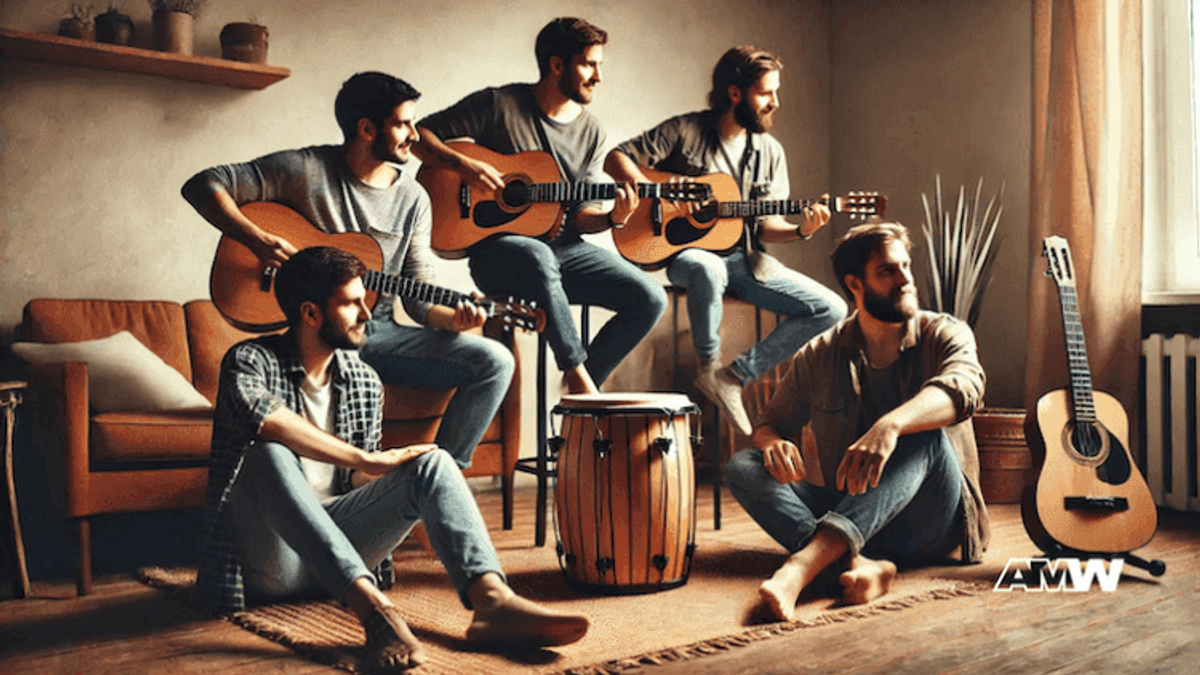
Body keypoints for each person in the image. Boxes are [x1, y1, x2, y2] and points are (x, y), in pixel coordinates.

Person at [195, 247, 590, 673]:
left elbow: (356, 480)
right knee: (268, 454)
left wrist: (411, 482)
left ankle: (493, 604)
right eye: (351, 303)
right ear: (310, 313)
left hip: (340, 547)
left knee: (434, 460)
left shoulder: (362, 378)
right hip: (273, 563)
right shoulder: (250, 361)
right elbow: (268, 420)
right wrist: (366, 457)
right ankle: (376, 615)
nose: (367, 314)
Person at [182, 71, 513, 471]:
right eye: (403, 124)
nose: (415, 135)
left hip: (379, 333)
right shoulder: (304, 170)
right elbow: (204, 183)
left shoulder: (413, 199)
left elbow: (421, 298)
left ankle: (437, 475)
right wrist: (256, 240)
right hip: (314, 333)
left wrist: (455, 320)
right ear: (367, 128)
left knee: (496, 361)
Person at [723, 222, 990, 621]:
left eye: (906, 266)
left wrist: (891, 426)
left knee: (924, 436)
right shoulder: (820, 352)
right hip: (856, 511)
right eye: (888, 271)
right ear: (854, 284)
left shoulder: (945, 332)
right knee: (743, 465)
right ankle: (858, 563)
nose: (906, 280)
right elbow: (769, 423)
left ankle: (802, 566)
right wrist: (772, 443)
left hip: (933, 520)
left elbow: (965, 388)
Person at [414, 17, 668, 394]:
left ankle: (582, 391)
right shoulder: (498, 105)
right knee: (537, 255)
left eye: (599, 65)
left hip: (564, 249)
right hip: (498, 254)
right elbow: (418, 135)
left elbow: (581, 216)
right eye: (589, 64)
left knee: (650, 298)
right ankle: (577, 374)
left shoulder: (591, 131)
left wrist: (613, 218)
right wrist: (466, 166)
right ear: (557, 65)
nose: (598, 76)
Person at [605, 46, 848, 436]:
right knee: (708, 267)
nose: (775, 102)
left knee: (831, 308)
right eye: (766, 92)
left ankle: (732, 377)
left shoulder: (769, 152)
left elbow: (766, 225)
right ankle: (709, 366)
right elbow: (616, 158)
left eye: (776, 92)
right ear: (735, 93)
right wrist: (663, 191)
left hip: (745, 260)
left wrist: (803, 229)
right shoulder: (685, 130)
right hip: (688, 256)